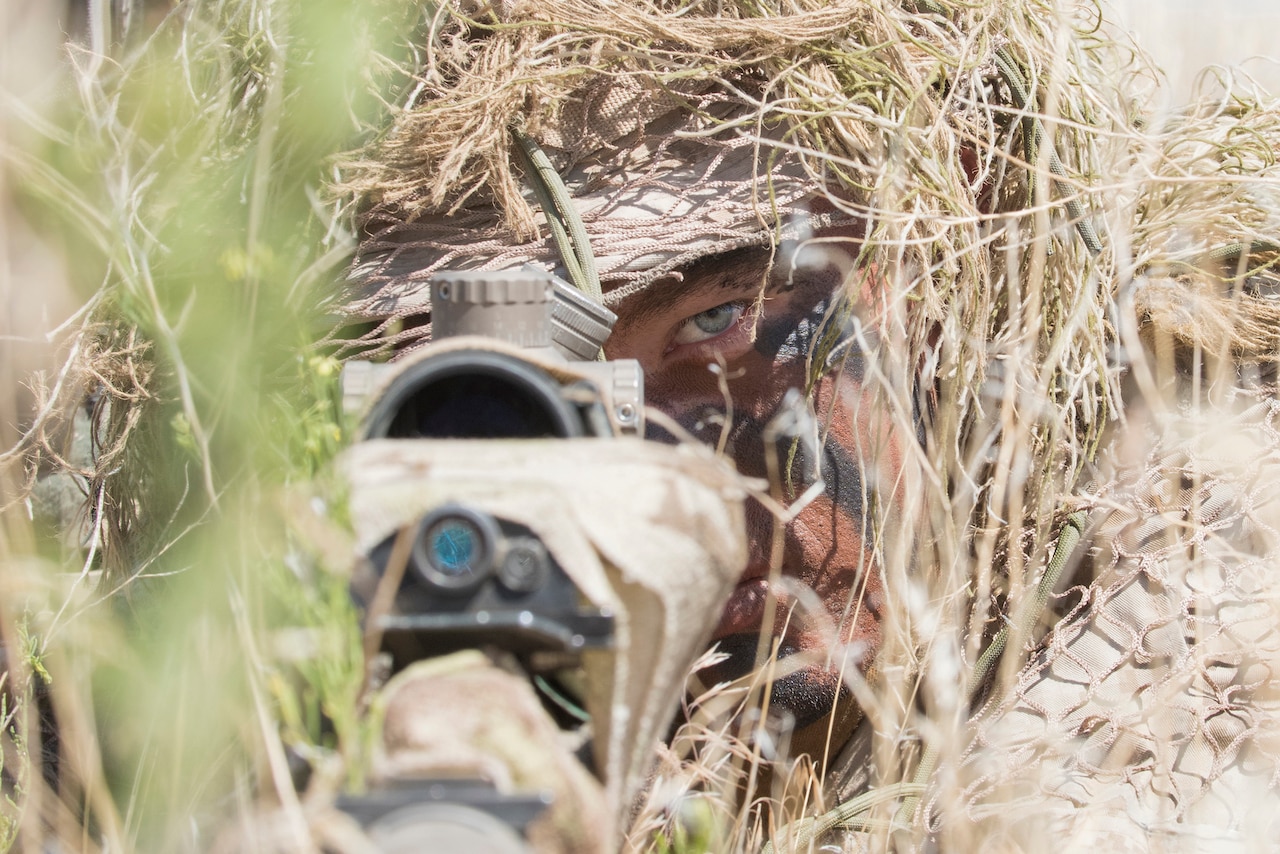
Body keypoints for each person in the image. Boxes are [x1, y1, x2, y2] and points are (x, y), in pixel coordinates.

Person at [335, 0, 1280, 847]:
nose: (655, 465)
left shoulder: (1190, 647)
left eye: (720, 319)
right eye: (520, 396)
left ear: (944, 251)